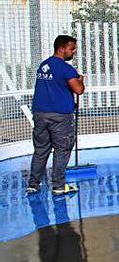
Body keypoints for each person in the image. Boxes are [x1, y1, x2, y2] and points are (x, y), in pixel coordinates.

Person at [26, 35, 84, 196]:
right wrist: (80, 80)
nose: (74, 52)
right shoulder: (66, 69)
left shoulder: (44, 65)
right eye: (71, 49)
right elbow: (78, 90)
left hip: (40, 113)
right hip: (59, 115)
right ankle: (58, 186)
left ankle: (33, 184)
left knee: (41, 149)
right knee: (62, 149)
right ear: (62, 48)